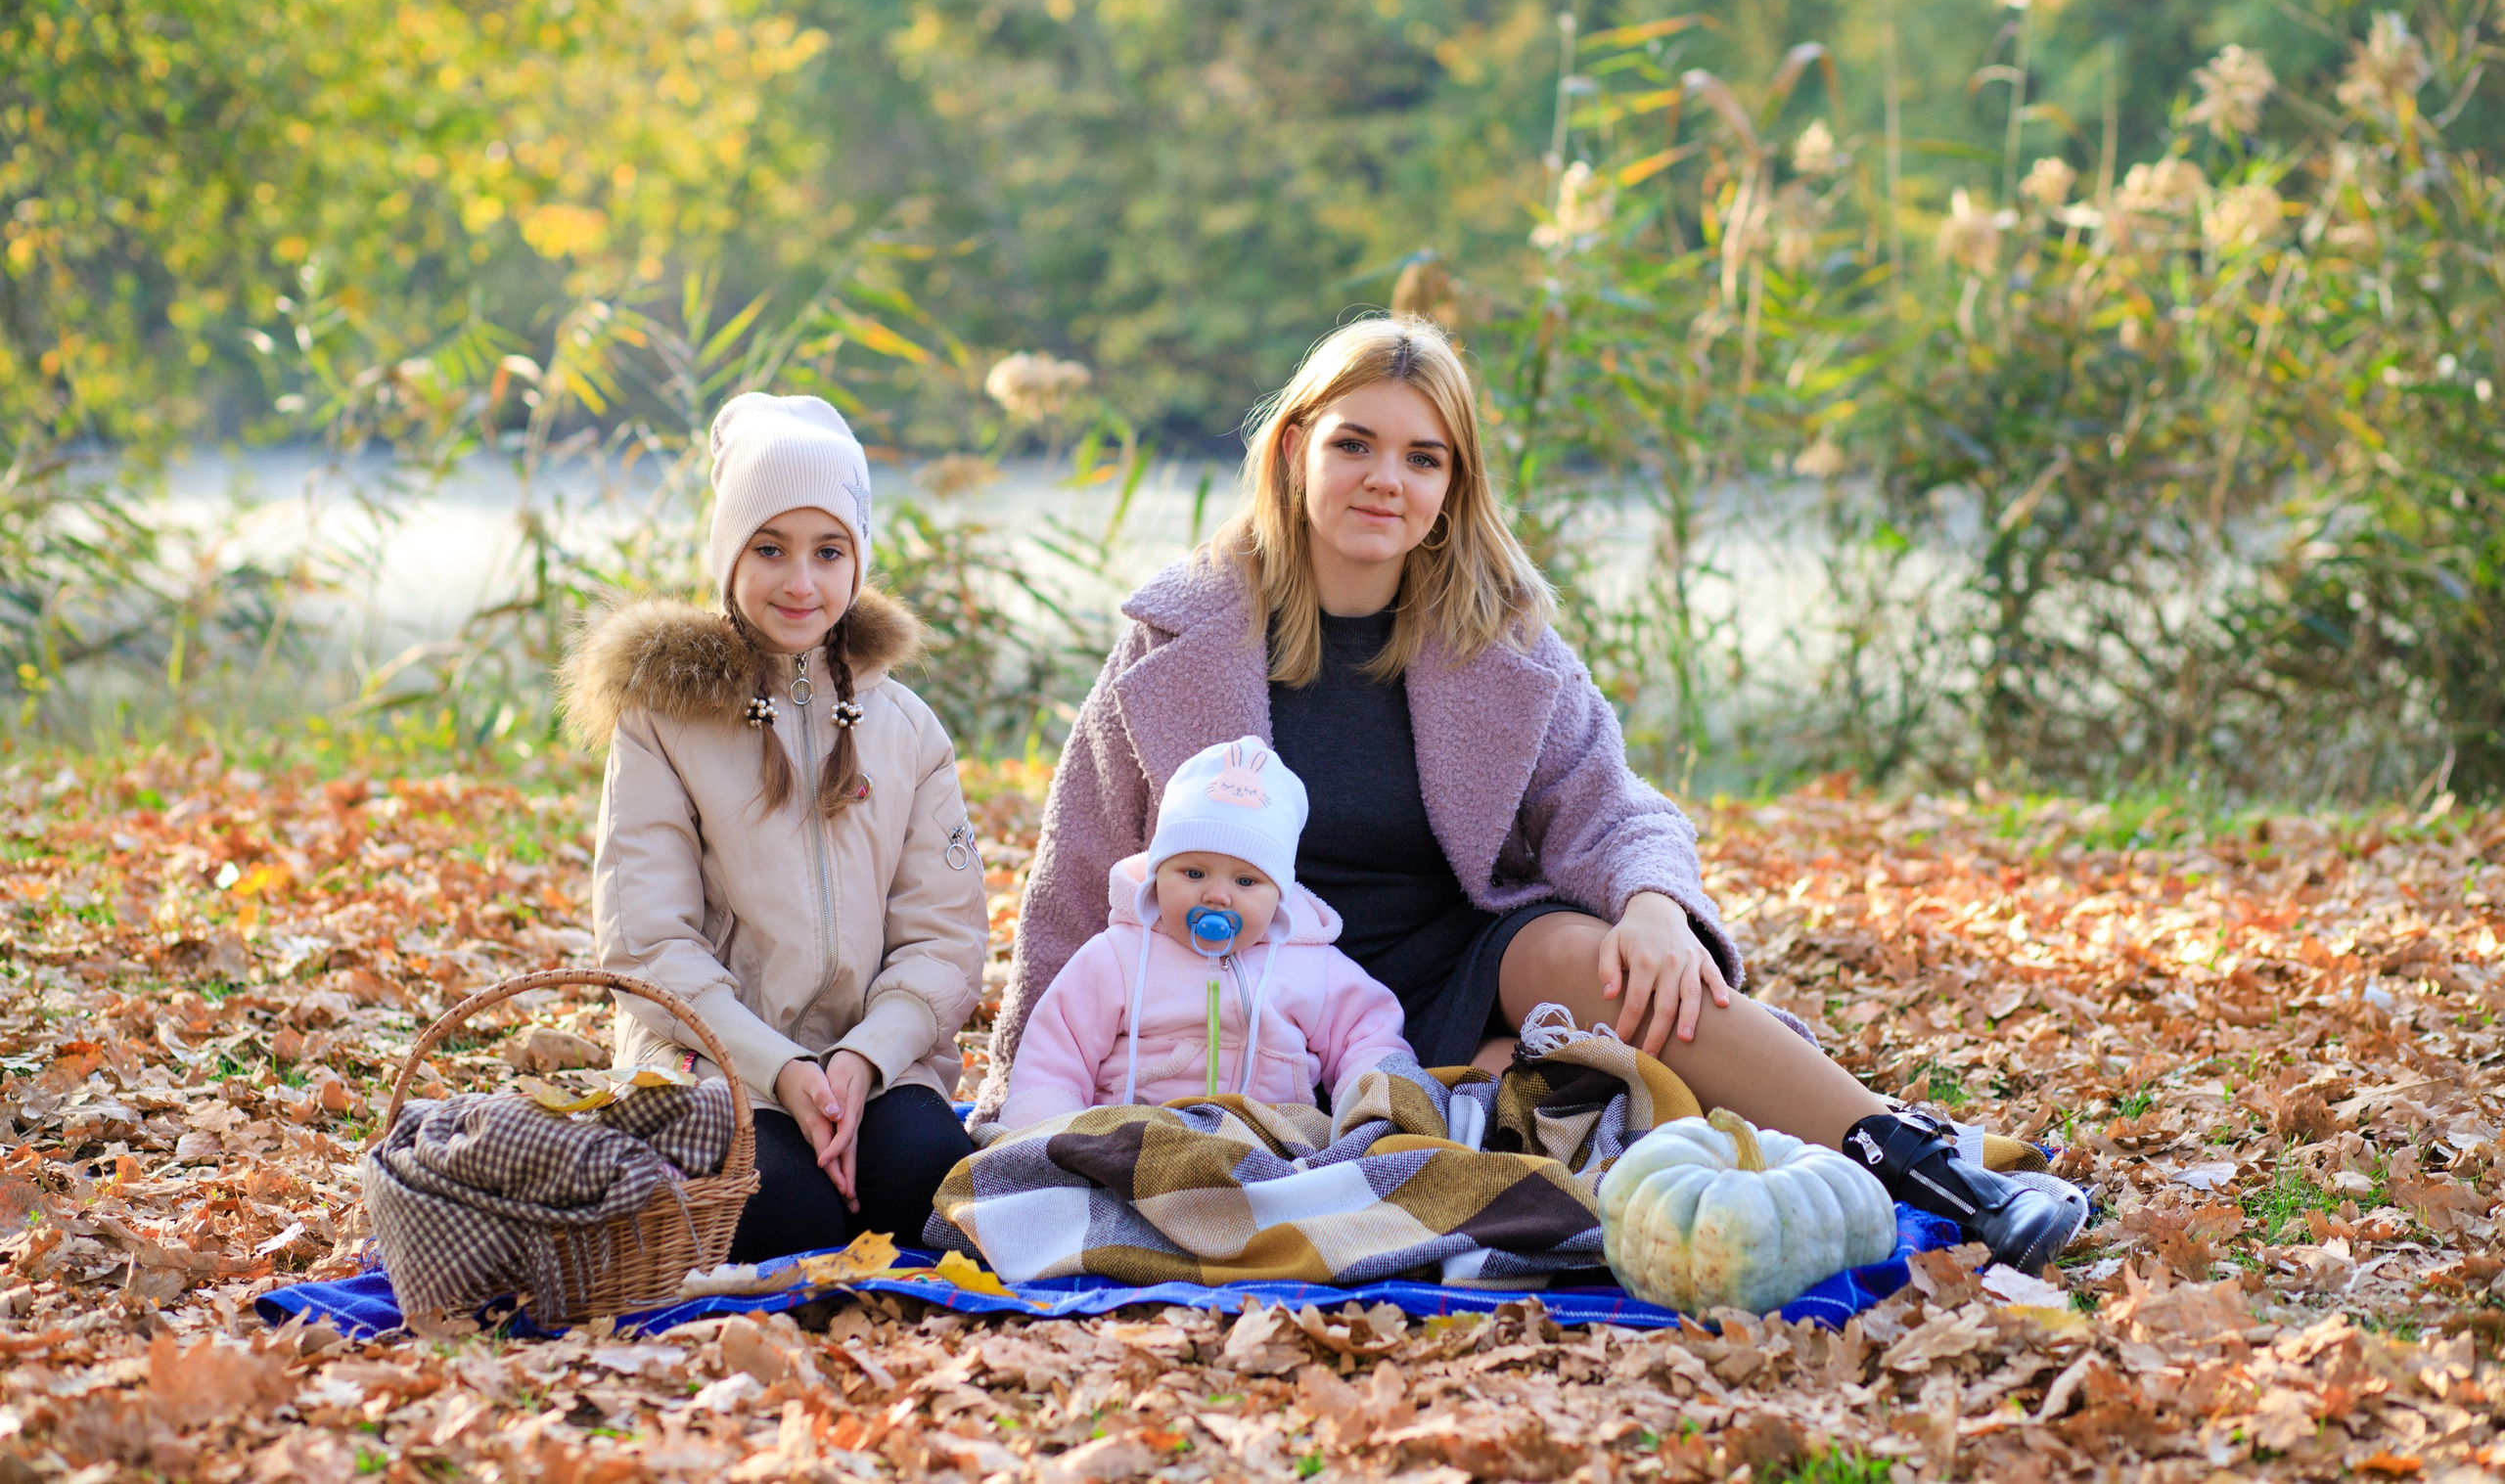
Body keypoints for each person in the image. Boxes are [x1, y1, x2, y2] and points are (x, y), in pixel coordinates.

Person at [980, 316, 2070, 1271]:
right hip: (1251, 986)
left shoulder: (1498, 641)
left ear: (1452, 487)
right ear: (1294, 447)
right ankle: (1496, 1100)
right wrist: (1012, 1115)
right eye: (1354, 443)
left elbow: (1615, 808)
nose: (1384, 481)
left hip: (1457, 967)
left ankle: (1923, 1167)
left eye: (1423, 458)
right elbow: (1080, 866)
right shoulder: (1179, 639)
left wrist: (1651, 907)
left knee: (1612, 961)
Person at [564, 392, 986, 1262]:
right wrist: (780, 1067)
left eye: (828, 551)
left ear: (857, 561)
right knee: (784, 1215)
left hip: (866, 1065)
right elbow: (647, 944)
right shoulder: (662, 721)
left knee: (929, 1181)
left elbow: (942, 940)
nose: (801, 581)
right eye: (770, 548)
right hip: (714, 1061)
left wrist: (861, 1060)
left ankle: (864, 1130)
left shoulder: (905, 728)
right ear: (728, 556)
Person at [998, 738, 1413, 1130]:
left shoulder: (1312, 965)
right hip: (1134, 1134)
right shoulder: (1118, 957)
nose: (1217, 896)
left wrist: (1375, 1103)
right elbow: (1055, 1054)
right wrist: (1044, 1136)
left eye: (1246, 882)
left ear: (1279, 896)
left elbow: (1369, 1034)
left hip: (1270, 1143)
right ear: (1158, 876)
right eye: (1193, 873)